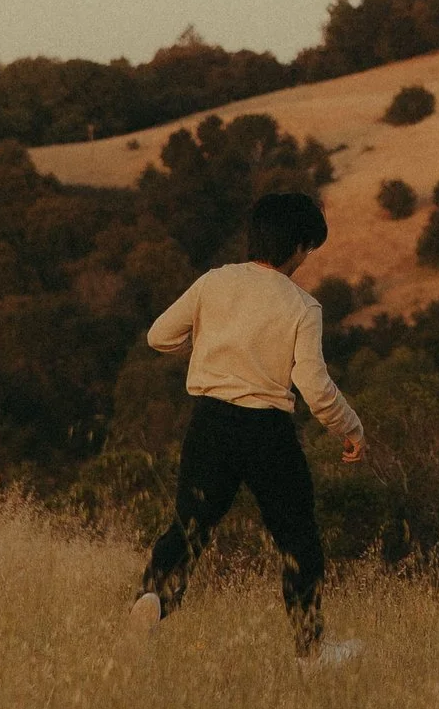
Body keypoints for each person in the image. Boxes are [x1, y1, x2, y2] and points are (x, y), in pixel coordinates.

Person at [127, 192, 367, 663]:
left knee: (189, 527)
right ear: (298, 246)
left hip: (209, 422)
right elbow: (315, 387)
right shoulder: (303, 307)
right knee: (297, 539)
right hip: (267, 432)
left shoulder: (214, 282)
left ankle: (151, 598)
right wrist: (350, 428)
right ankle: (310, 652)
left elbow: (159, 336)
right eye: (308, 249)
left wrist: (209, 349)